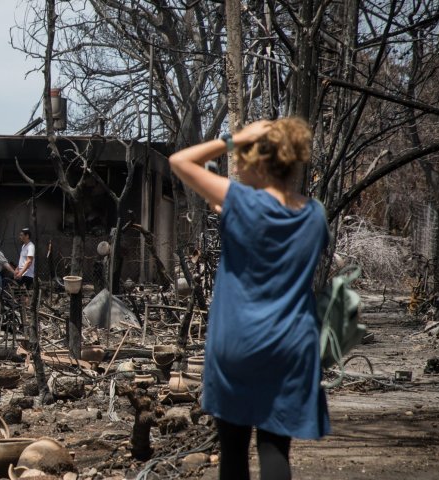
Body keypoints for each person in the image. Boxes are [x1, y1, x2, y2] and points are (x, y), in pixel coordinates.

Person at [169, 118, 330, 480]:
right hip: (291, 347)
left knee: (233, 452)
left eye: (243, 157)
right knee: (275, 450)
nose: (238, 167)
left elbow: (180, 161)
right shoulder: (315, 216)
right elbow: (270, 234)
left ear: (259, 161)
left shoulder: (240, 201)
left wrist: (233, 138)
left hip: (238, 344)